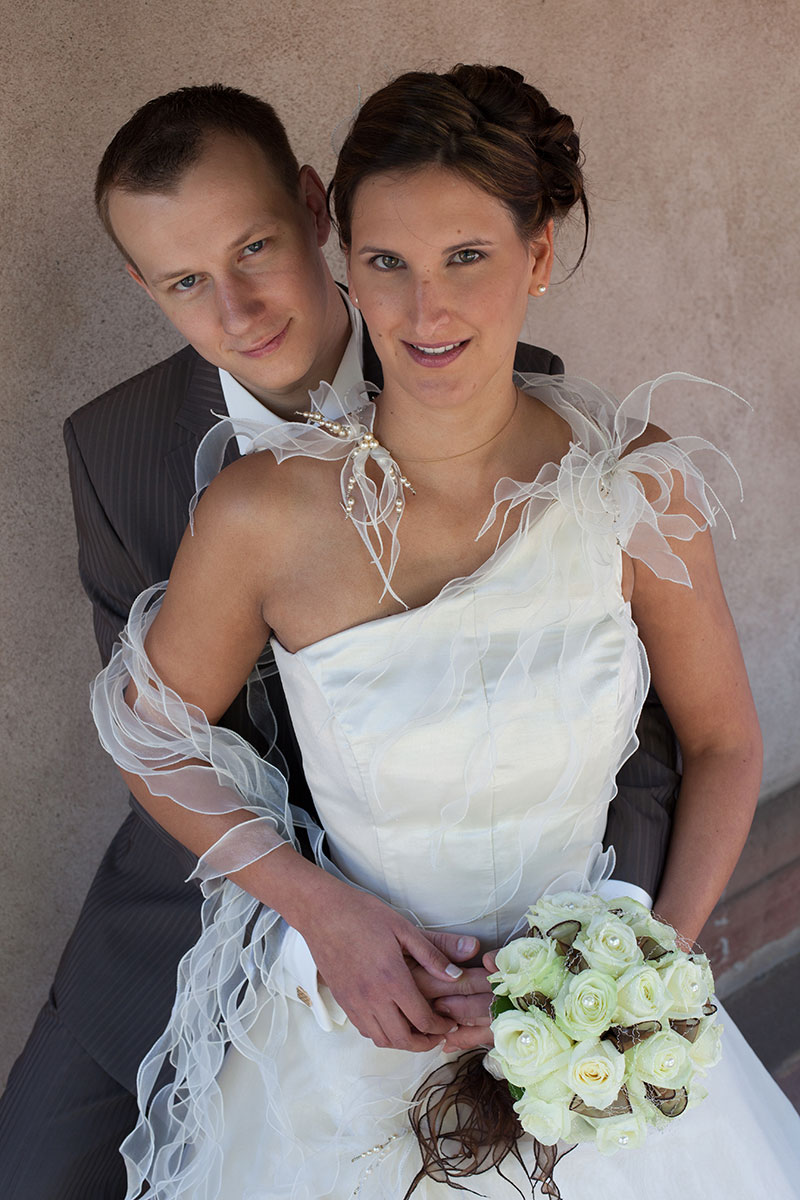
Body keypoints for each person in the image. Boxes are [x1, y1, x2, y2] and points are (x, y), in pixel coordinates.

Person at [89, 63, 800, 1199]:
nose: (424, 312)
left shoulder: (633, 484)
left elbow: (720, 744)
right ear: (344, 259)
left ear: (536, 254)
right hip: (345, 1033)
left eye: (465, 257)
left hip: (587, 1012)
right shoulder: (261, 512)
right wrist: (318, 910)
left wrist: (635, 977)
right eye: (386, 264)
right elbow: (150, 736)